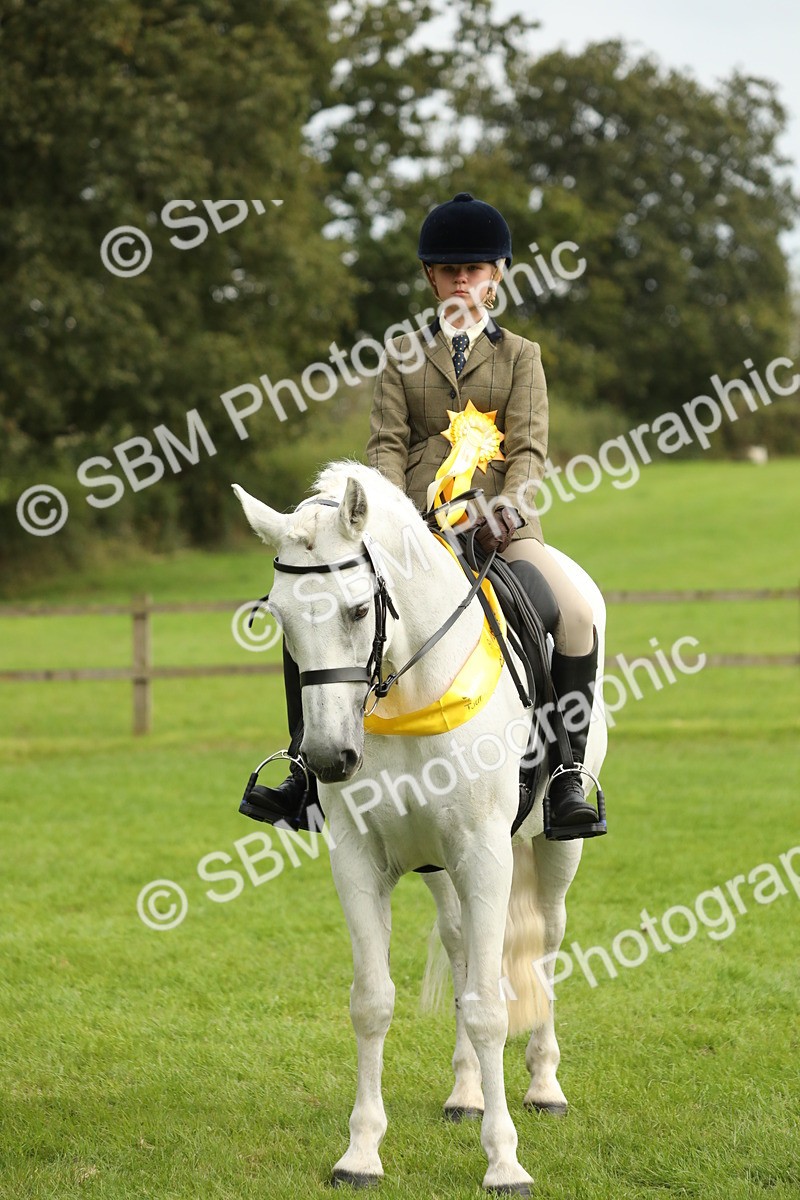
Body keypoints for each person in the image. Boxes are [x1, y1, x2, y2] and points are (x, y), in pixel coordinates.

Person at [241, 191, 604, 839]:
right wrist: (395, 524)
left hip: (501, 531)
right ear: (431, 278)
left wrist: (506, 511)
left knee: (573, 613)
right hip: (413, 536)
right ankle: (301, 767)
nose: (462, 281)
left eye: (475, 269)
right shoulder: (402, 355)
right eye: (450, 270)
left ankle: (570, 774)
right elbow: (384, 445)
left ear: (496, 277)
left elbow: (529, 450)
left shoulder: (522, 357)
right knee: (316, 616)